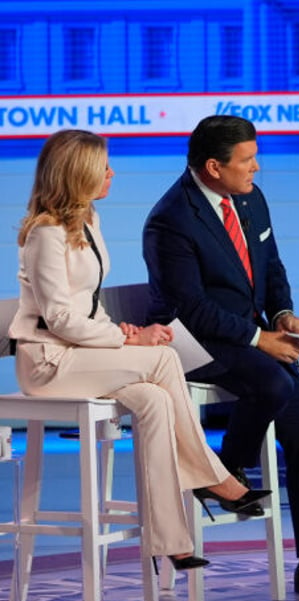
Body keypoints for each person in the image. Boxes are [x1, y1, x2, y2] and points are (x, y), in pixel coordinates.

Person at [142, 115, 299, 595]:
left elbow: (271, 265)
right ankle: (222, 472)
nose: (258, 167)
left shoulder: (249, 198)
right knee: (272, 381)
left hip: (243, 337)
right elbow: (191, 308)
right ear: (214, 167)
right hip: (191, 341)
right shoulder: (171, 219)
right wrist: (259, 342)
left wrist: (282, 314)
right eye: (248, 160)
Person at [9, 129, 271, 572]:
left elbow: (84, 306)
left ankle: (170, 541)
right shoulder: (46, 234)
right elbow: (59, 320)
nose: (112, 173)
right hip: (48, 363)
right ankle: (215, 477)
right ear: (79, 174)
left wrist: (117, 330)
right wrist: (129, 339)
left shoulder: (88, 221)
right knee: (164, 358)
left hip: (83, 356)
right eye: (103, 167)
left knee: (152, 400)